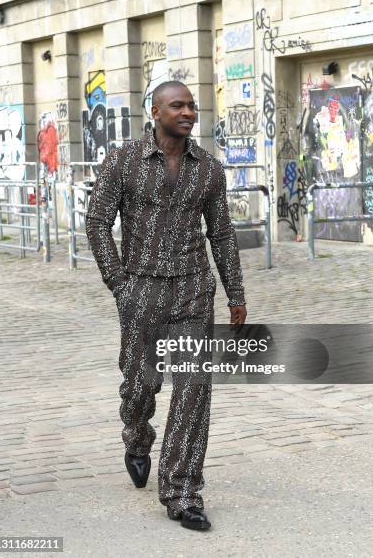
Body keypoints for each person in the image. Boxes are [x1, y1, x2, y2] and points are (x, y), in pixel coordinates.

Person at [86, 81, 247, 531]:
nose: (188, 112)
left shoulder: (209, 170)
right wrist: (120, 284)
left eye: (192, 106)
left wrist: (235, 292)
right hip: (142, 291)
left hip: (194, 290)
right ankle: (137, 437)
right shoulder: (123, 161)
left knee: (194, 388)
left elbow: (222, 234)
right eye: (178, 105)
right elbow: (97, 221)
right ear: (155, 111)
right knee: (141, 385)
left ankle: (182, 491)